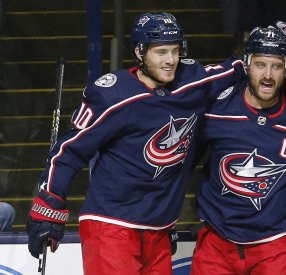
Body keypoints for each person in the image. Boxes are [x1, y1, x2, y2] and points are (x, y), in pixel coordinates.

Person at [25, 12, 249, 275]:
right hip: (110, 227)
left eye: (175, 51)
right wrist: (48, 206)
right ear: (140, 52)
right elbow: (68, 151)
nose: (170, 61)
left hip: (159, 230)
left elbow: (239, 70)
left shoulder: (193, 81)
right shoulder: (114, 95)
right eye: (161, 52)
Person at [190, 26, 286, 274]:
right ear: (246, 65)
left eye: (276, 66)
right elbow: (183, 163)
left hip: (277, 247)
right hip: (216, 244)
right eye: (260, 65)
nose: (267, 75)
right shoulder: (217, 108)